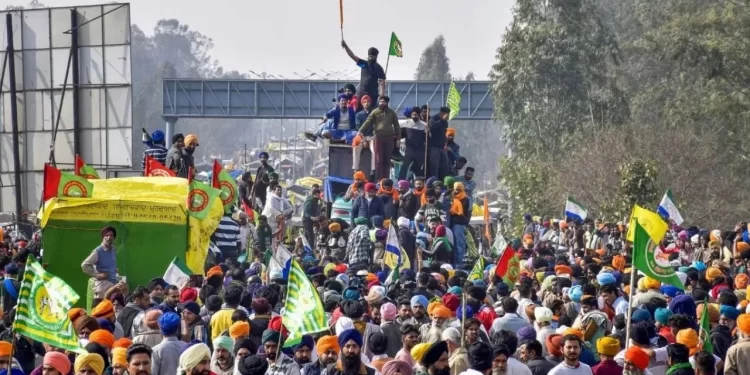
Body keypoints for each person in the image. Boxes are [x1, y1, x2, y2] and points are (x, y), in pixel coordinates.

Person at [357, 96, 401, 180]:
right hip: (378, 138)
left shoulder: (392, 113)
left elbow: (397, 126)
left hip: (389, 139)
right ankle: (379, 180)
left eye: (383, 102)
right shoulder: (375, 112)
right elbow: (368, 121)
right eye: (380, 102)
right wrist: (360, 131)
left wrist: (398, 139)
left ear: (387, 103)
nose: (381, 103)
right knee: (379, 160)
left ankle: (386, 180)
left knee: (387, 160)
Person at [340, 40, 386, 111]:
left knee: (372, 112)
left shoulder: (378, 68)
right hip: (361, 92)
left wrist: (382, 97)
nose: (371, 58)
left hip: (373, 94)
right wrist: (345, 46)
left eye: (372, 57)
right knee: (356, 110)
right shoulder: (364, 64)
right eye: (369, 56)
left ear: (376, 57)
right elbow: (352, 56)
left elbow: (382, 84)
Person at [81, 227, 119, 299]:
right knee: (101, 308)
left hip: (113, 283)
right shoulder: (98, 251)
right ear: (103, 237)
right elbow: (85, 265)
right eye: (106, 235)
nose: (109, 237)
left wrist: (114, 269)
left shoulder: (113, 249)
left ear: (114, 237)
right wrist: (97, 275)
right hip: (102, 285)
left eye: (111, 235)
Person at [399, 107, 427, 181]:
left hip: (420, 150)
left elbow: (427, 137)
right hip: (409, 149)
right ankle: (401, 182)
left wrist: (427, 132)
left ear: (419, 115)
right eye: (413, 114)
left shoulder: (424, 125)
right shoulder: (405, 123)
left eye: (416, 115)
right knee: (405, 166)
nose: (414, 116)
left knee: (418, 168)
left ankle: (419, 183)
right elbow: (398, 132)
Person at [353, 95, 377, 174]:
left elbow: (376, 127)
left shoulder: (374, 114)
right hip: (361, 136)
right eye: (364, 102)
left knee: (374, 148)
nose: (366, 103)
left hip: (371, 136)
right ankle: (355, 168)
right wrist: (363, 140)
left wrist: (373, 136)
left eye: (368, 102)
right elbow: (359, 128)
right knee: (356, 146)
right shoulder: (359, 115)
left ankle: (373, 170)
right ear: (362, 104)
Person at [427, 107, 450, 180]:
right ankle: (435, 182)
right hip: (434, 147)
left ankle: (443, 182)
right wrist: (442, 120)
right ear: (442, 113)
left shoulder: (445, 122)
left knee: (444, 166)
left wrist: (445, 143)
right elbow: (433, 127)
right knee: (434, 166)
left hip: (442, 147)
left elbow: (444, 133)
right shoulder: (433, 119)